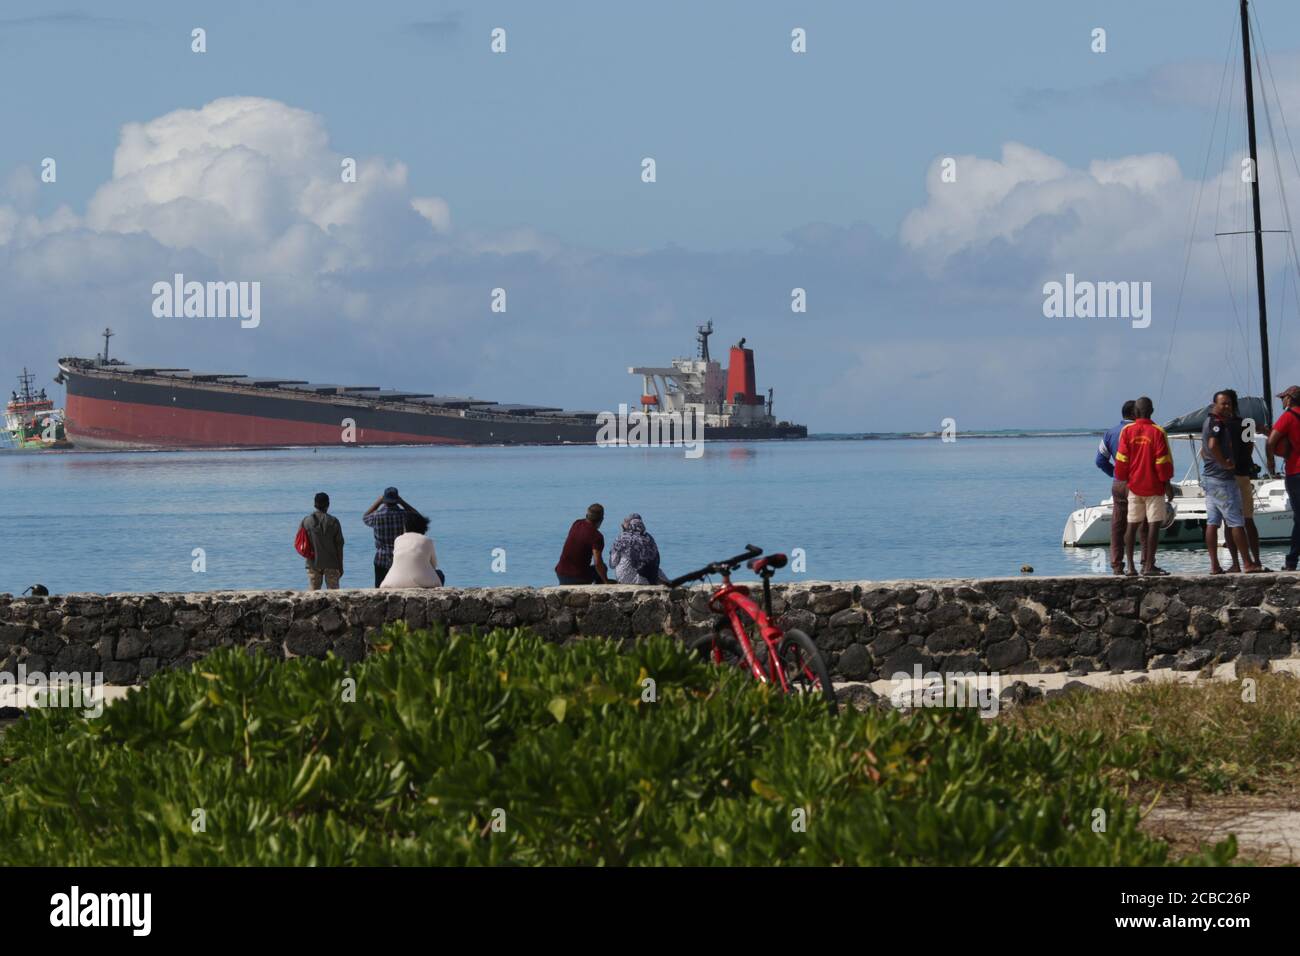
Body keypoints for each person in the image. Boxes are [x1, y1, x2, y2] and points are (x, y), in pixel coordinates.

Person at [1201, 391, 1262, 574]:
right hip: (1234, 475)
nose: (1227, 407)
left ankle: (1228, 564)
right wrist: (1225, 463)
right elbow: (1249, 448)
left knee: (1216, 522)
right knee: (1243, 521)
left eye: (1228, 403)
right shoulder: (1244, 424)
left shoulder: (1208, 421)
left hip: (1211, 476)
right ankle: (1252, 561)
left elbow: (1205, 451)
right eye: (1224, 404)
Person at [1115, 396, 1175, 576]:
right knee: (1153, 526)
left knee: (1132, 525)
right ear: (1152, 411)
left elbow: (1121, 460)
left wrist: (1123, 479)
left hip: (1134, 486)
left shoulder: (1127, 431)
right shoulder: (1158, 432)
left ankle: (1131, 567)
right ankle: (1149, 565)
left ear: (1135, 412)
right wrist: (1167, 484)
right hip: (1154, 487)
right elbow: (1162, 461)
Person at [1096, 400, 1142, 575]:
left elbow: (1099, 461)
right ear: (1134, 413)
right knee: (1144, 523)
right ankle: (1146, 563)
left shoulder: (1110, 433)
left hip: (1119, 482)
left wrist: (1115, 473)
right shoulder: (1141, 431)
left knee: (1118, 524)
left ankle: (1116, 564)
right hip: (1139, 482)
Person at [1223, 389, 1265, 571]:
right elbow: (1249, 448)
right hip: (1243, 474)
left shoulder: (1219, 425)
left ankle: (1235, 563)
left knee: (1229, 522)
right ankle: (1256, 560)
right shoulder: (1246, 423)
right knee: (1248, 520)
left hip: (1226, 477)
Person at [1266, 385, 1300, 570]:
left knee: (1299, 518)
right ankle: (1292, 559)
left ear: (1290, 399)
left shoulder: (1288, 416)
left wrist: (1270, 464)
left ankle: (1291, 561)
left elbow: (1271, 442)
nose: (1282, 401)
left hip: (1296, 471)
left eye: (1283, 398)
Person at [363, 487, 415, 588]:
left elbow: (365, 517)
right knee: (399, 589)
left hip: (381, 558)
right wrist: (403, 502)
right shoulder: (404, 515)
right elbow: (417, 516)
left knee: (380, 590)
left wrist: (378, 502)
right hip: (399, 558)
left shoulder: (376, 516)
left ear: (384, 500)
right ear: (397, 500)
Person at [380, 510, 444, 588]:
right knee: (440, 574)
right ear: (424, 528)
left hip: (393, 581)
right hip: (423, 582)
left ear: (405, 527)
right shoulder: (427, 540)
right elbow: (433, 565)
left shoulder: (398, 540)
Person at [555, 503, 610, 584]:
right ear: (601, 520)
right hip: (577, 577)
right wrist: (606, 581)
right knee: (603, 568)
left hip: (560, 573)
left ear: (587, 515)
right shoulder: (597, 536)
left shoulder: (576, 523)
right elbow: (597, 562)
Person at [301, 492, 344, 590]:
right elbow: (339, 545)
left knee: (313, 593)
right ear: (328, 504)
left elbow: (300, 542)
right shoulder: (333, 521)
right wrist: (340, 566)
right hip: (331, 562)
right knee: (333, 594)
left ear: (315, 505)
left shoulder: (306, 521)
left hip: (312, 562)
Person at [608, 513, 668, 584]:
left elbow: (612, 564)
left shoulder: (622, 538)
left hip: (627, 578)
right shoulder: (649, 538)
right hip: (651, 577)